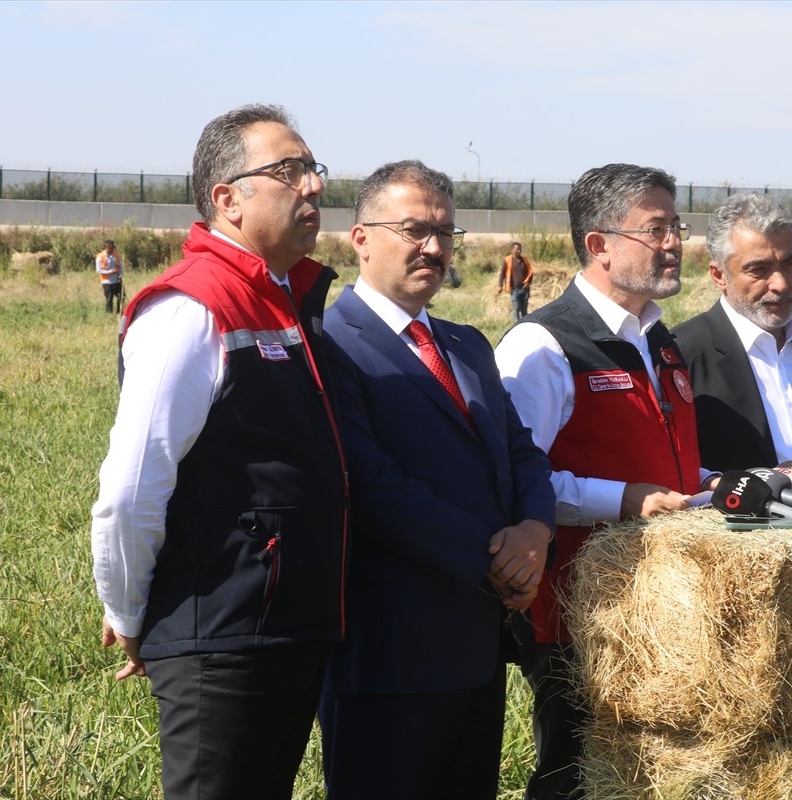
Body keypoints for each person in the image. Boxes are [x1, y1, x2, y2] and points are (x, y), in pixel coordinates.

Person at [90, 104, 347, 800]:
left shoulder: (283, 301)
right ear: (228, 200)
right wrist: (128, 610)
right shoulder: (191, 310)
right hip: (220, 636)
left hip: (283, 626)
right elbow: (132, 487)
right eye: (288, 172)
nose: (314, 187)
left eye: (313, 169)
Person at [318, 160, 556, 800]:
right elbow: (369, 482)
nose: (433, 247)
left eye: (445, 232)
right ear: (360, 237)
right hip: (387, 651)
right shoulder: (329, 343)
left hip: (475, 648)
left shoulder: (468, 344)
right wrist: (492, 560)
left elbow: (523, 452)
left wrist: (535, 530)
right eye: (413, 229)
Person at [495, 163, 707, 799]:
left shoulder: (658, 339)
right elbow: (515, 481)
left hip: (658, 598)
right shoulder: (543, 344)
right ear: (599, 245)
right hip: (574, 608)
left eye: (677, 227)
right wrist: (624, 501)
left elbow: (665, 459)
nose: (674, 243)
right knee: (574, 771)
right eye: (655, 229)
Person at [673, 192, 792, 471]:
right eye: (759, 269)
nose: (780, 283)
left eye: (790, 264)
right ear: (719, 275)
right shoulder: (682, 354)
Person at [497, 240, 535, 321]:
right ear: (512, 250)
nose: (519, 251)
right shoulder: (507, 260)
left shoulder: (524, 260)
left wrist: (528, 283)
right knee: (516, 308)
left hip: (524, 289)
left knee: (524, 310)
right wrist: (500, 286)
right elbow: (502, 273)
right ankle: (516, 325)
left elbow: (531, 272)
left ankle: (524, 324)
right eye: (517, 249)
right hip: (514, 289)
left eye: (520, 249)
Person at [95, 239, 123, 313]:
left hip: (117, 281)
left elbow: (120, 266)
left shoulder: (116, 254)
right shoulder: (100, 256)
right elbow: (98, 270)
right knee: (109, 300)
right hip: (107, 282)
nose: (113, 249)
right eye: (112, 247)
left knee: (121, 297)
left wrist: (120, 276)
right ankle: (109, 315)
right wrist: (111, 271)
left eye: (114, 247)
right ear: (108, 247)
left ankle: (119, 312)